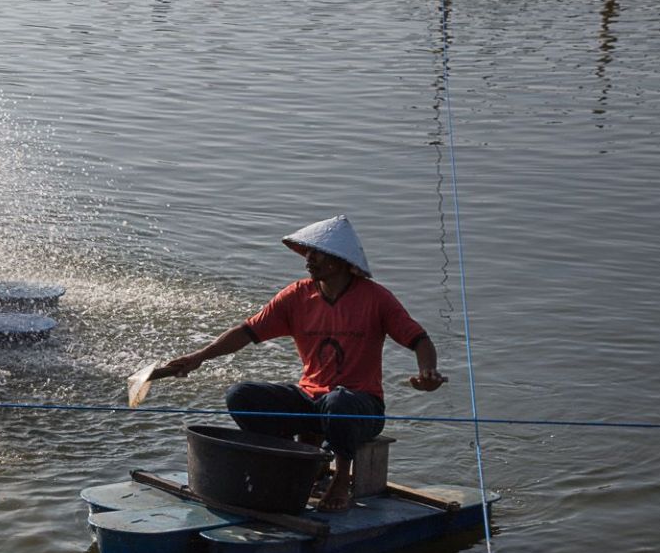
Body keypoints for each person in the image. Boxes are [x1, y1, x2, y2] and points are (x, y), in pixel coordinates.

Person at [151, 215, 446, 511]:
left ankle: (341, 479)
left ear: (341, 261)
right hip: (310, 399)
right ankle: (296, 458)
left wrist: (427, 373)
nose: (309, 259)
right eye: (308, 252)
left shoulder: (375, 298)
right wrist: (199, 357)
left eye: (318, 253)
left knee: (338, 401)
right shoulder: (297, 296)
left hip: (359, 407)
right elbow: (245, 332)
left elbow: (419, 339)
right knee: (241, 396)